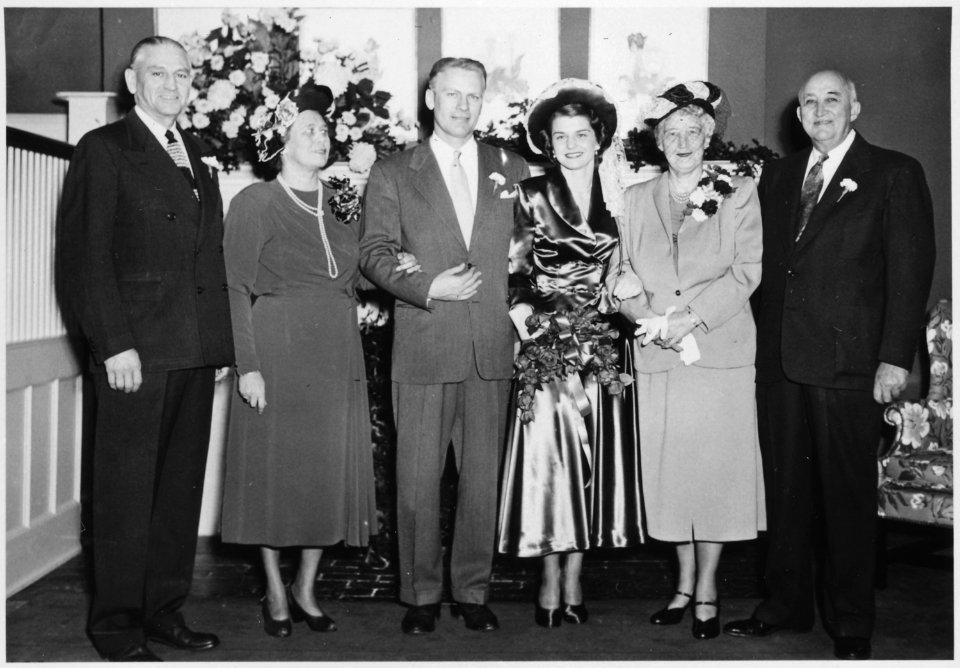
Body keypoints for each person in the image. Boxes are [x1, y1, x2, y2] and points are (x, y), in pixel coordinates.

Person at [723, 70, 935, 661]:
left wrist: (894, 359)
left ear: (854, 107)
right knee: (784, 492)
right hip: (780, 362)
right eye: (809, 103)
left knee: (845, 496)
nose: (819, 111)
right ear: (798, 115)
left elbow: (910, 272)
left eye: (831, 100)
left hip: (850, 365)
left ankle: (851, 621)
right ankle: (783, 606)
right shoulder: (781, 174)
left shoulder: (894, 172)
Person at [57, 36, 234, 661]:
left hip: (192, 352)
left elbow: (205, 259)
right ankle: (117, 629)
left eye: (182, 75)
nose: (171, 85)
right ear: (132, 82)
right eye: (157, 74)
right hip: (135, 355)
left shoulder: (200, 155)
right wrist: (114, 346)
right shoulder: (104, 150)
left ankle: (163, 612)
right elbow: (85, 261)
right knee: (125, 497)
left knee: (176, 497)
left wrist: (218, 347)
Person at [219, 83, 416, 638]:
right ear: (278, 142)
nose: (320, 135)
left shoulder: (343, 201)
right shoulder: (254, 203)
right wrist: (247, 365)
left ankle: (306, 585)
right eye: (306, 128)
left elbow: (360, 274)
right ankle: (275, 590)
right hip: (277, 347)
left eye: (324, 128)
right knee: (272, 473)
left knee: (323, 476)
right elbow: (234, 287)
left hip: (335, 349)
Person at [359, 57, 530, 635]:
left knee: (482, 480)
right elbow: (373, 254)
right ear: (430, 97)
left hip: (490, 348)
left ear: (483, 100)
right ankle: (421, 595)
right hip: (425, 343)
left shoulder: (512, 166)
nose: (462, 105)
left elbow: (535, 256)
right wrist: (426, 285)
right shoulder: (393, 171)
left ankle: (473, 590)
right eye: (451, 94)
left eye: (473, 96)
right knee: (417, 478)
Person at [611, 81, 765, 641]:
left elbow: (748, 271)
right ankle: (680, 584)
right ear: (658, 140)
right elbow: (617, 277)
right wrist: (642, 316)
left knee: (716, 476)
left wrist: (689, 318)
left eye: (692, 130)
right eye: (671, 131)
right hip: (657, 354)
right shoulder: (633, 198)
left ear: (709, 136)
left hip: (717, 352)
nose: (682, 140)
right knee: (671, 477)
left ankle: (707, 589)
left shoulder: (739, 190)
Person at [496, 79, 644, 628]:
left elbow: (631, 267)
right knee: (552, 465)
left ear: (600, 138)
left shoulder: (625, 198)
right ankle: (549, 579)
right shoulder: (531, 195)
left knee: (593, 465)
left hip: (604, 347)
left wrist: (623, 289)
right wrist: (529, 322)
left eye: (582, 134)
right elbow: (515, 273)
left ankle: (576, 578)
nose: (573, 144)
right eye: (561, 136)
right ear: (548, 144)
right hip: (550, 344)